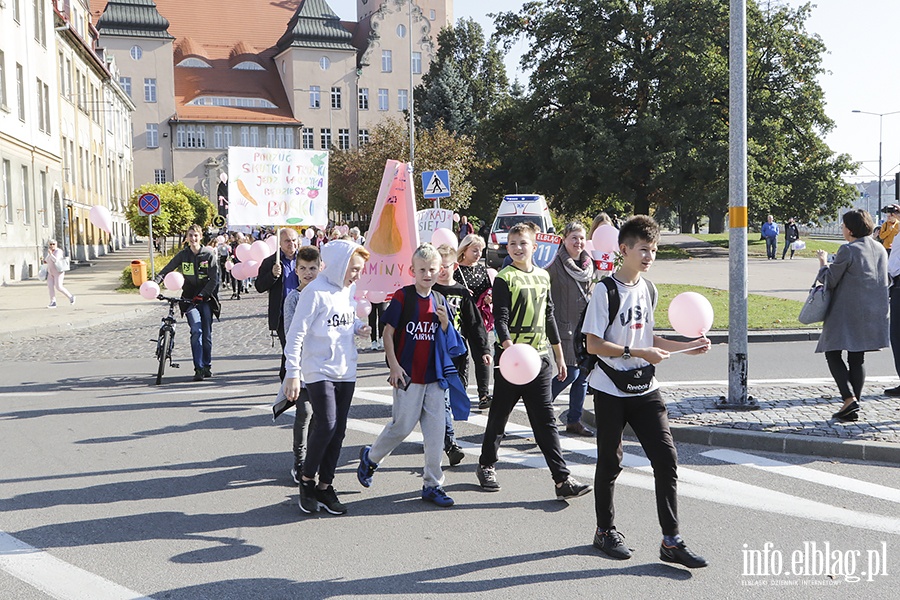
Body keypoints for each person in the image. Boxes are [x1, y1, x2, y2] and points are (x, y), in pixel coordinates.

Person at [583, 215, 710, 568]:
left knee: (666, 460)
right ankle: (604, 531)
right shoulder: (604, 291)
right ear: (624, 249)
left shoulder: (649, 289)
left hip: (645, 388)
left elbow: (647, 337)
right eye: (643, 249)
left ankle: (671, 540)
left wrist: (687, 344)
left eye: (653, 250)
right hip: (610, 388)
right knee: (611, 462)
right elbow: (594, 345)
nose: (649, 256)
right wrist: (636, 353)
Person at [475, 221, 593, 501]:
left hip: (539, 360)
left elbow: (548, 315)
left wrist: (560, 356)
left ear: (534, 247)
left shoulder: (542, 276)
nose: (517, 248)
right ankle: (486, 464)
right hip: (513, 362)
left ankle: (562, 479)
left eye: (523, 243)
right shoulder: (505, 277)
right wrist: (509, 349)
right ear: (507, 247)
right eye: (512, 244)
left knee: (545, 421)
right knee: (499, 416)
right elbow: (500, 318)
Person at [356, 244, 458, 508]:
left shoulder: (440, 300)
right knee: (401, 426)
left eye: (432, 269)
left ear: (440, 271)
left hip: (435, 378)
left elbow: (451, 341)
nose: (427, 274)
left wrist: (446, 324)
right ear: (412, 270)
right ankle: (371, 457)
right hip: (409, 375)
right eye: (422, 269)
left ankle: (432, 484)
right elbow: (389, 333)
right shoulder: (404, 296)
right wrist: (393, 366)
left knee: (435, 435)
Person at [283, 240, 371, 515]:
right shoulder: (314, 292)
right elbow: (296, 333)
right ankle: (307, 480)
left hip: (346, 368)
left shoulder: (348, 289)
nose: (357, 274)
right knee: (327, 424)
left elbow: (344, 318)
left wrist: (358, 327)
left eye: (359, 270)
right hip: (317, 368)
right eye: (353, 269)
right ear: (338, 265)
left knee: (339, 430)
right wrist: (292, 374)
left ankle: (325, 485)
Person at [815, 209, 889, 420]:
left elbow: (830, 279)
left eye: (843, 225)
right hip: (874, 310)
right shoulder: (880, 248)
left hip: (848, 311)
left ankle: (849, 399)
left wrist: (822, 263)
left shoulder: (848, 250)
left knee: (832, 351)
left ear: (850, 228)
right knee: (857, 358)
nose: (842, 229)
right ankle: (853, 404)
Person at [434, 244, 492, 466]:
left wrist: (484, 351)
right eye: (436, 266)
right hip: (435, 355)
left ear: (454, 266)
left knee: (454, 395)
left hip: (457, 354)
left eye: (445, 266)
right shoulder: (429, 292)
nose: (440, 271)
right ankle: (450, 444)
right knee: (442, 399)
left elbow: (475, 325)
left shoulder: (461, 293)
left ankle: (440, 432)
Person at [277, 245, 321, 484]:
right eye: (303, 268)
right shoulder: (293, 298)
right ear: (296, 270)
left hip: (321, 366)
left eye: (312, 268)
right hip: (301, 366)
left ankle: (314, 457)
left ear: (320, 268)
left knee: (320, 416)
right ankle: (299, 459)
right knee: (304, 412)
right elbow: (291, 333)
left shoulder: (323, 295)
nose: (308, 273)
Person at [154, 224, 221, 382]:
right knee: (196, 330)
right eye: (190, 235)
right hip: (189, 299)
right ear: (187, 237)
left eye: (196, 235)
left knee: (206, 334)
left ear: (200, 237)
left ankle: (207, 365)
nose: (193, 239)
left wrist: (203, 294)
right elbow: (167, 269)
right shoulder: (183, 255)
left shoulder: (208, 255)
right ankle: (198, 368)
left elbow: (214, 280)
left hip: (206, 299)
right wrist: (155, 283)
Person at [547, 222, 595, 436]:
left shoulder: (589, 264)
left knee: (583, 375)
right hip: (563, 326)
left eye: (582, 238)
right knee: (569, 373)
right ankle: (540, 407)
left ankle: (574, 420)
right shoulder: (554, 263)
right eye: (574, 237)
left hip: (585, 328)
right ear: (564, 239)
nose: (578, 242)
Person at [255, 228, 301, 381]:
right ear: (280, 243)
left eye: (294, 240)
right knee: (289, 347)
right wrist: (272, 275)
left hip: (304, 311)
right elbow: (259, 286)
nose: (291, 244)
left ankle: (292, 380)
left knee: (299, 349)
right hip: (283, 314)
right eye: (287, 241)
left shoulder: (304, 260)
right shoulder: (271, 262)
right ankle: (287, 380)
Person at [455, 234, 493, 409]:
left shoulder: (481, 269)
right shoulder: (456, 269)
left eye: (481, 250)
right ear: (465, 250)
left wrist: (489, 297)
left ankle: (483, 395)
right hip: (460, 318)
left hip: (479, 319)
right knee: (462, 357)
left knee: (482, 354)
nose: (478, 253)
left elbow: (487, 288)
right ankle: (460, 393)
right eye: (475, 250)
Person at [43, 239, 75, 308]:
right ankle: (53, 302)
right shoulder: (50, 252)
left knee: (59, 287)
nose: (52, 246)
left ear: (56, 245)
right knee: (50, 287)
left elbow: (55, 260)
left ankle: (71, 297)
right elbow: (47, 260)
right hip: (50, 272)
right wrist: (45, 259)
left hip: (58, 272)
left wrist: (51, 254)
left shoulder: (58, 251)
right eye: (50, 244)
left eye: (53, 244)